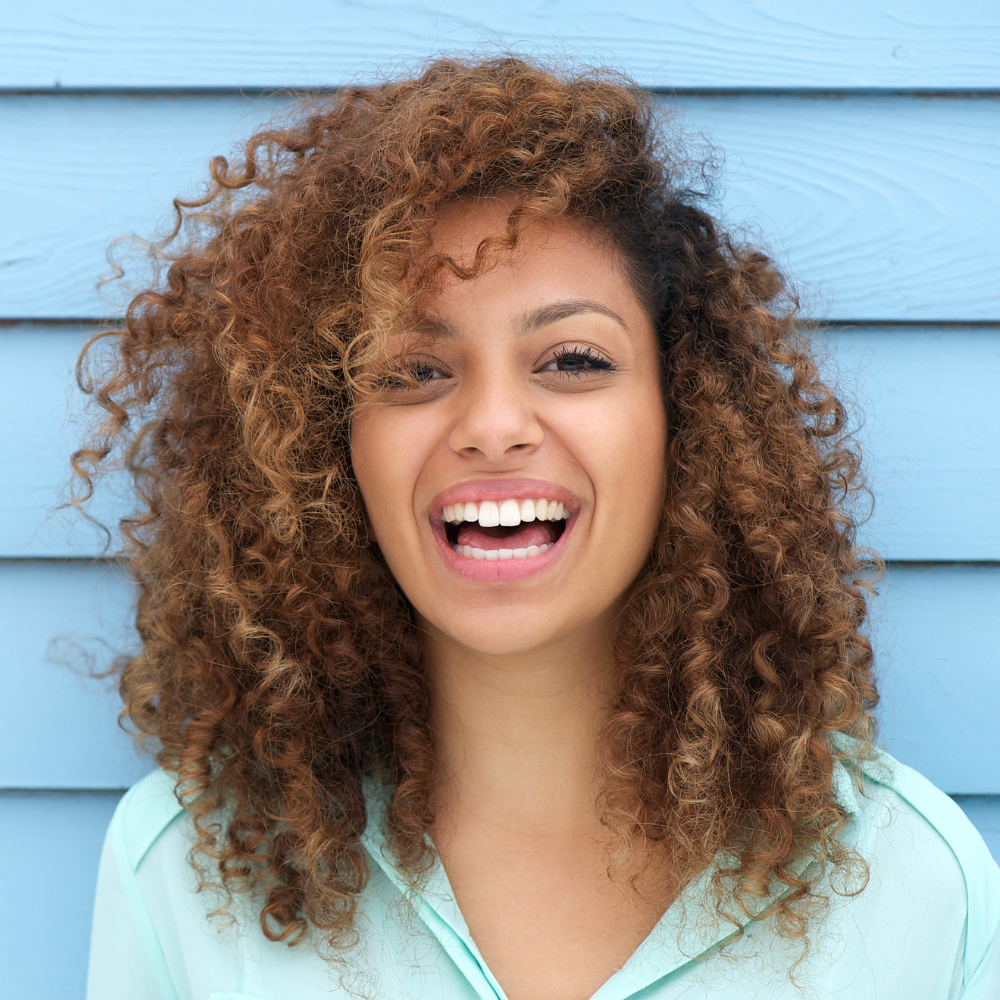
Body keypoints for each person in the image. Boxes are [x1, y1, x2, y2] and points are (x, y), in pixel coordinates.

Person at [81, 55, 999, 999]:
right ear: (325, 447)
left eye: (570, 359)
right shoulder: (186, 874)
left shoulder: (911, 885)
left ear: (683, 416)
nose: (491, 427)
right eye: (411, 371)